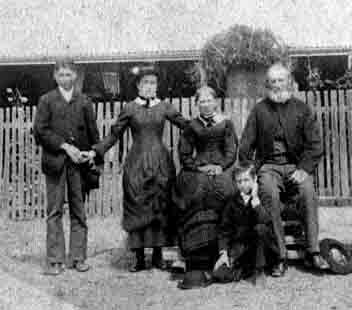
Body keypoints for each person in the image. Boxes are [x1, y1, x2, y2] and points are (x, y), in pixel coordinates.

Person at [84, 65, 191, 272]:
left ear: (157, 85)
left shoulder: (165, 107)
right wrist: (95, 151)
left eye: (153, 83)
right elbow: (114, 134)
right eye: (145, 83)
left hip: (160, 162)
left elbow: (186, 125)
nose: (149, 87)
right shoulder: (130, 108)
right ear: (138, 86)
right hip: (137, 163)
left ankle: (159, 256)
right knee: (138, 204)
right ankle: (140, 258)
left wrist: (209, 127)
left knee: (161, 205)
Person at [239, 62, 327, 277]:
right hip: (268, 167)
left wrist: (304, 169)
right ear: (268, 84)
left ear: (289, 82)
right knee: (268, 192)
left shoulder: (302, 109)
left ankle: (313, 251)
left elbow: (315, 144)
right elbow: (245, 145)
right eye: (273, 81)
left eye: (281, 80)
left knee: (308, 191)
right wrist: (250, 172)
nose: (277, 85)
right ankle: (280, 255)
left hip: (296, 166)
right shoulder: (259, 110)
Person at [33, 59, 102, 275]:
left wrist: (92, 155)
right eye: (61, 75)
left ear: (76, 76)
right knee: (54, 211)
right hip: (55, 163)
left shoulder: (84, 101)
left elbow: (94, 134)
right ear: (55, 77)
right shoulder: (46, 101)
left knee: (78, 211)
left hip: (78, 166)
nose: (65, 78)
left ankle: (78, 257)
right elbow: (40, 131)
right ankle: (55, 260)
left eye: (69, 74)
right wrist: (64, 146)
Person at [174, 86, 238, 289]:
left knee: (226, 190)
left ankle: (224, 251)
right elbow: (184, 154)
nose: (205, 104)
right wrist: (199, 167)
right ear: (196, 105)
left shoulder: (226, 123)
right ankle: (192, 253)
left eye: (208, 100)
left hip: (221, 167)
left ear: (215, 102)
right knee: (195, 190)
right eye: (201, 101)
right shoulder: (192, 126)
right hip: (199, 168)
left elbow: (231, 151)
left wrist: (220, 167)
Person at [213, 163, 278, 287]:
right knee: (219, 274)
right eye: (239, 181)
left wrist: (255, 201)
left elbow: (266, 221)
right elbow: (224, 230)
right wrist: (224, 253)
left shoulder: (263, 197)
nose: (243, 184)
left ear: (254, 180)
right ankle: (246, 270)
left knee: (261, 228)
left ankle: (259, 270)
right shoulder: (231, 202)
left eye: (246, 180)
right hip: (242, 248)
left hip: (263, 247)